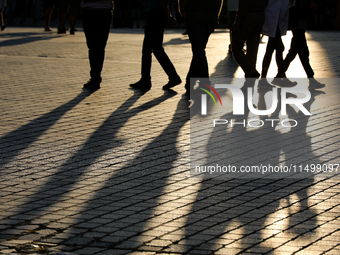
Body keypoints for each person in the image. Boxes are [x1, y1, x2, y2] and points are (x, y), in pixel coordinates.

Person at [130, 0, 181, 90]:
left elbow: (162, 1)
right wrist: (168, 16)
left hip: (155, 16)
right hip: (158, 15)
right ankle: (146, 79)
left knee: (153, 49)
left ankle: (172, 77)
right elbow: (166, 4)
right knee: (151, 49)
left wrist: (168, 17)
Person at [275, 0, 325, 89]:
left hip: (299, 25)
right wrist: (309, 8)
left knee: (299, 53)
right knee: (300, 53)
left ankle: (280, 75)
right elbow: (296, 10)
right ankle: (280, 75)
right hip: (297, 25)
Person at [178, 0, 224, 95]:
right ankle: (190, 82)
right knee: (199, 50)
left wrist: (182, 9)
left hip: (194, 13)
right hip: (210, 14)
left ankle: (204, 84)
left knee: (198, 50)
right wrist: (216, 15)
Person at [259, 0, 297, 88]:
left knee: (271, 49)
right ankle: (280, 76)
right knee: (279, 48)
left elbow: (291, 3)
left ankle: (265, 79)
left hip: (278, 20)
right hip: (271, 19)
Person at [231, 0, 268, 78]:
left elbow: (243, 5)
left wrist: (237, 22)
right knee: (252, 48)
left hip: (249, 16)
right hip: (260, 15)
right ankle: (250, 77)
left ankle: (250, 70)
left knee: (236, 46)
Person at [82, 0, 114, 89]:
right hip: (103, 10)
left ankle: (95, 76)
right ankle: (96, 76)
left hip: (91, 10)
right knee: (99, 46)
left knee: (93, 46)